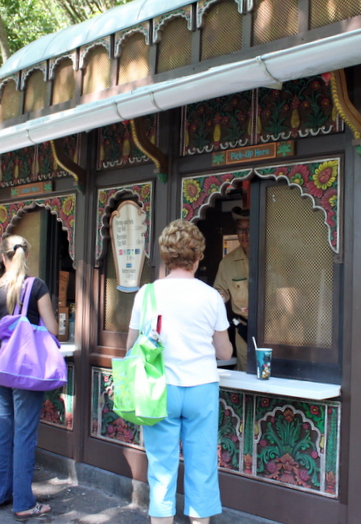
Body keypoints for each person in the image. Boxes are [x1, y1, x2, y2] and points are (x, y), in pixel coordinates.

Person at [125, 219, 233, 524]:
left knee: (161, 467)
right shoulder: (211, 296)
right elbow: (224, 352)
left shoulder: (147, 294)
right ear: (198, 256)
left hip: (160, 389)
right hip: (201, 388)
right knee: (202, 465)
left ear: (166, 256)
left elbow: (130, 347)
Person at [0, 235, 58, 520]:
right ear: (26, 256)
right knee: (24, 433)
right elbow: (52, 329)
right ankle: (24, 502)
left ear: (3, 257)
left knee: (1, 429)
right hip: (26, 366)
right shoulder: (36, 286)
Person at [213, 207, 249, 371]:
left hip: (272, 329)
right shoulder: (228, 262)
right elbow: (220, 292)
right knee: (245, 371)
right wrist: (218, 299)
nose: (244, 234)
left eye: (249, 229)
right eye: (240, 229)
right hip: (244, 328)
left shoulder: (273, 257)